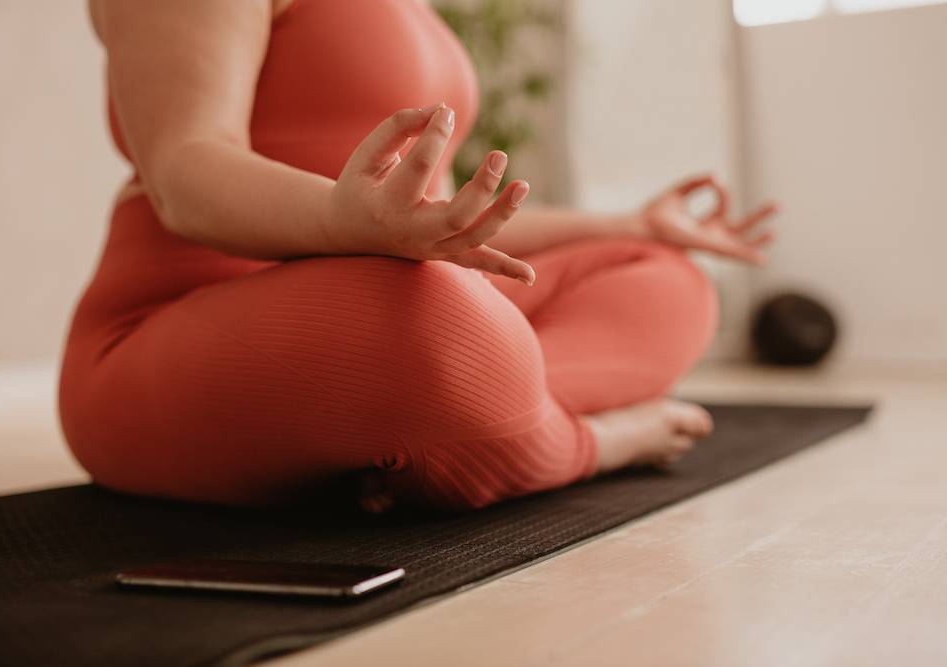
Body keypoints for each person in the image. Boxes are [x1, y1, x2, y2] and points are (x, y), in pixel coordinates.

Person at [59, 0, 778, 513]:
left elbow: (431, 224)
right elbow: (185, 173)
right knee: (432, 316)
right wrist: (339, 221)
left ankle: (451, 425)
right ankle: (578, 439)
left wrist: (629, 224)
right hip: (169, 330)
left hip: (382, 297)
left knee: (664, 279)